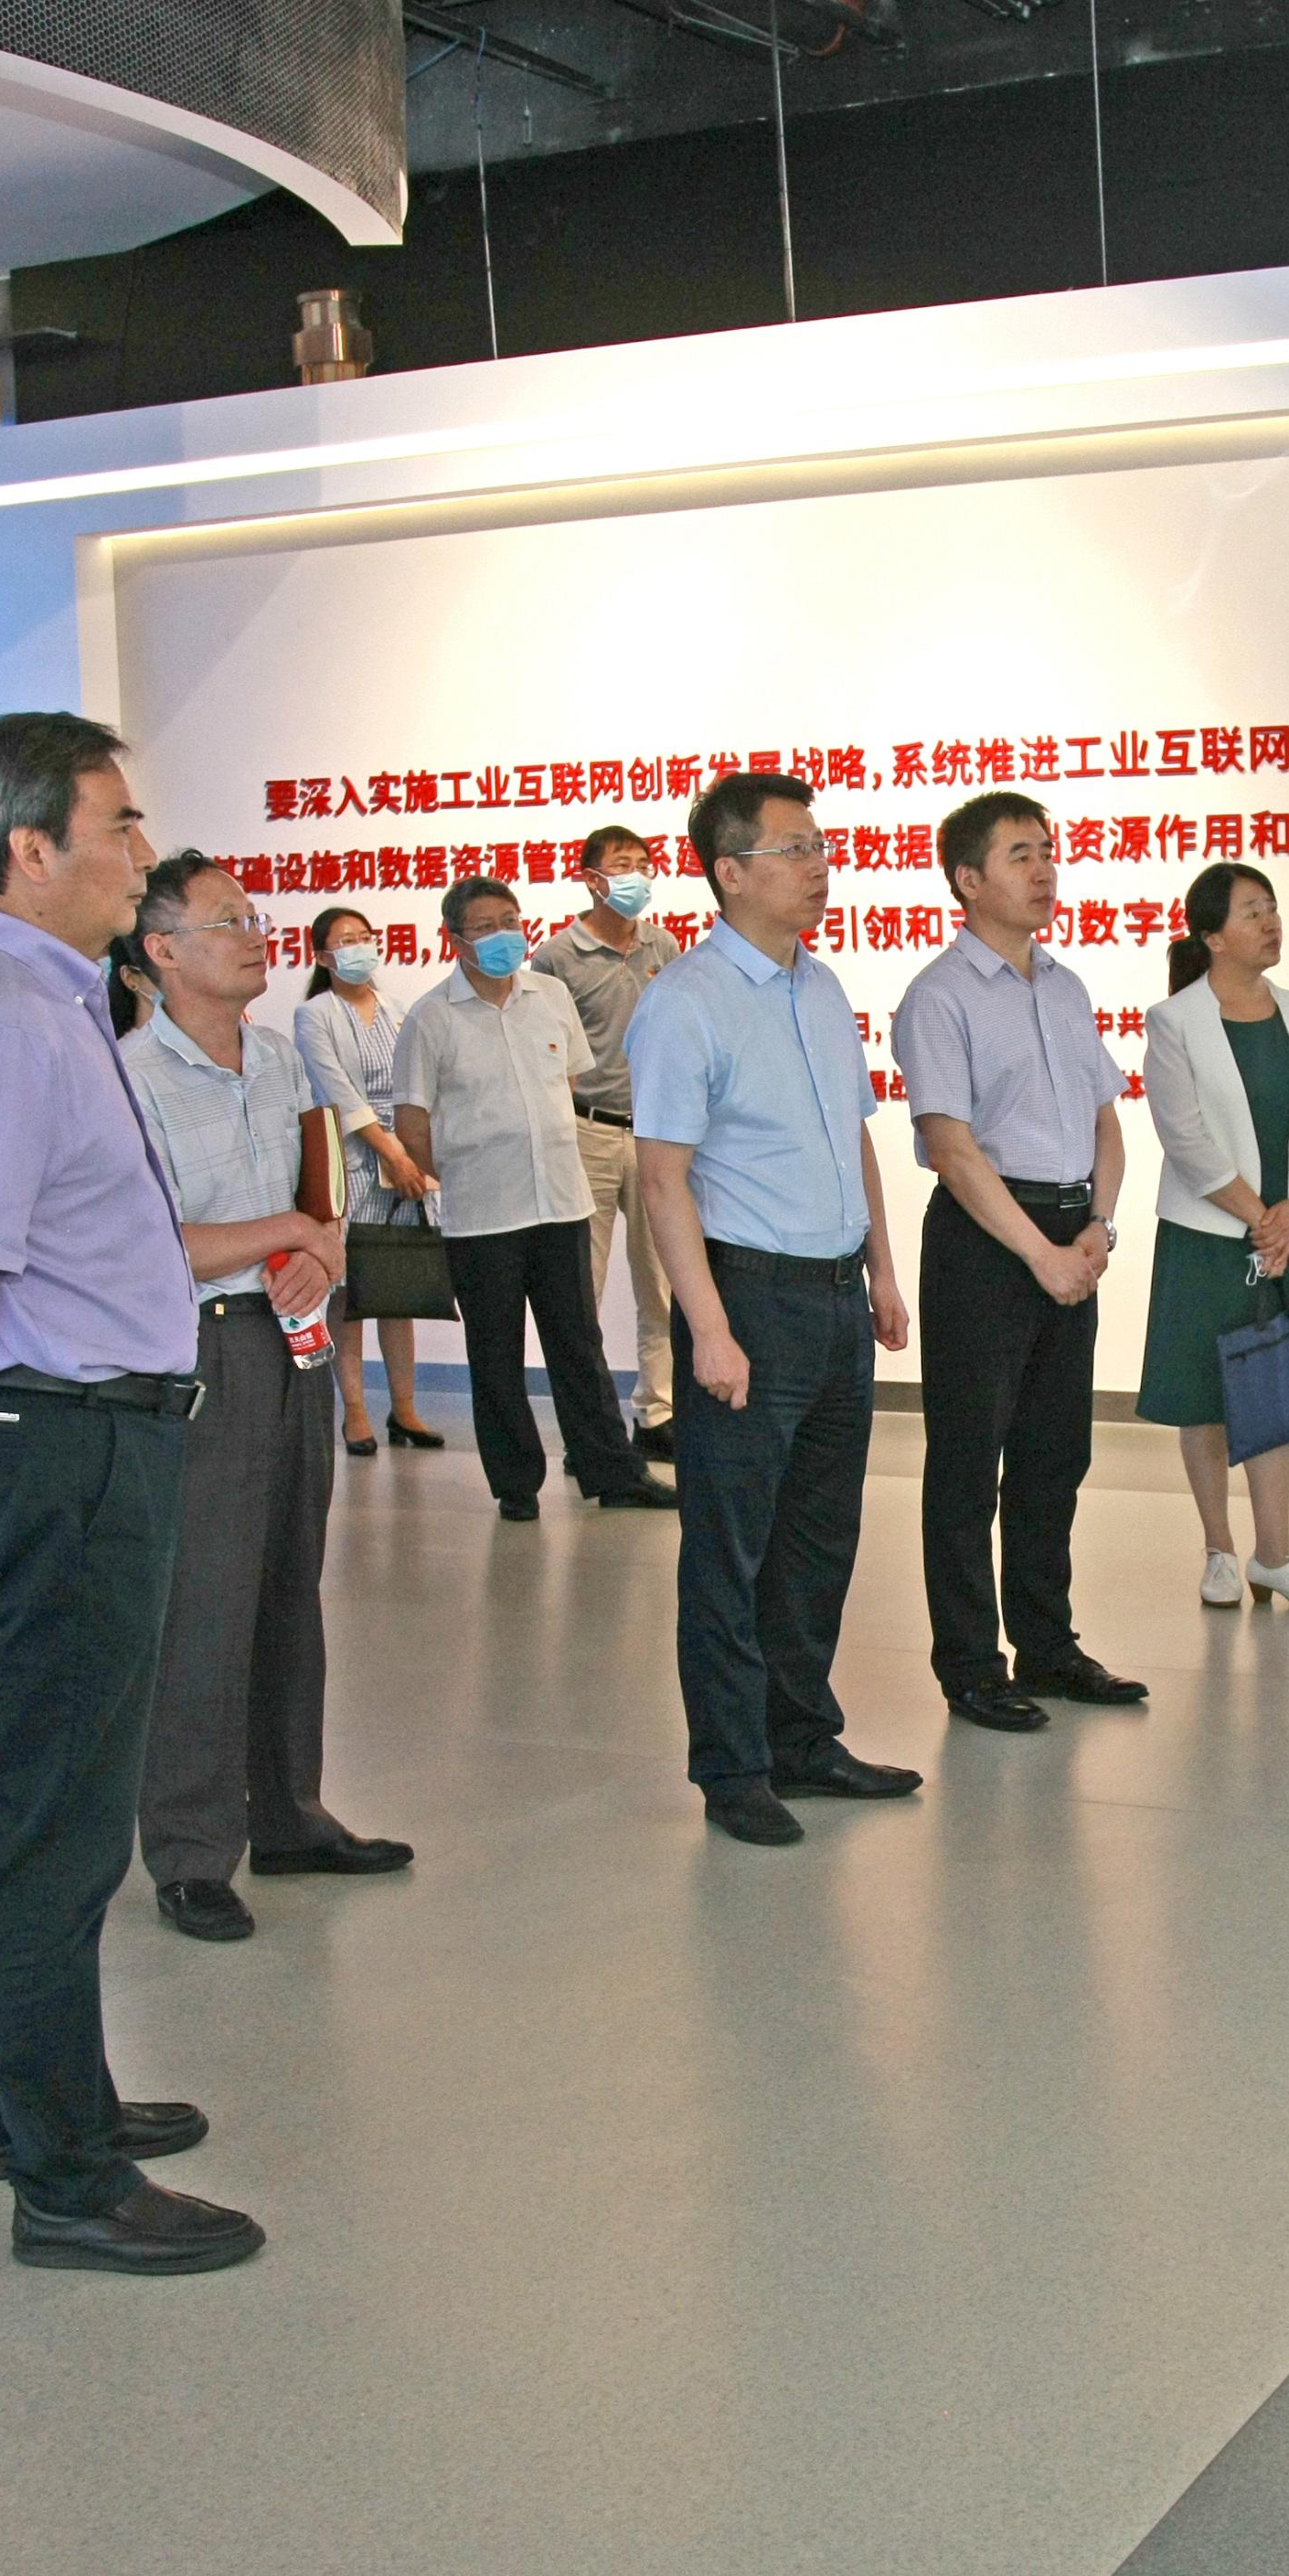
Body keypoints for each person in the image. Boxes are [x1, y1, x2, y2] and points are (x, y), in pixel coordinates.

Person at [0, 712, 258, 2275]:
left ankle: (19, 2102)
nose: (142, 849)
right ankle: (66, 2177)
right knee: (58, 1818)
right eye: (118, 823)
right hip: (59, 1442)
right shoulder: (6, 1016)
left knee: (30, 1797)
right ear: (31, 849)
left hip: (73, 1427)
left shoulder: (45, 999)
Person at [118, 855, 414, 1936]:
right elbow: (145, 1243)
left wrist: (317, 1252)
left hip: (293, 1339)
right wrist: (286, 1235)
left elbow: (319, 1194)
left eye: (255, 916)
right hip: (198, 1351)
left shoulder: (281, 1059)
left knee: (291, 1583)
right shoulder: (127, 1079)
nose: (257, 934)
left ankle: (290, 1814)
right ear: (161, 951)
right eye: (227, 921)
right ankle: (191, 1852)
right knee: (205, 1601)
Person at [627, 773, 917, 1848]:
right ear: (729, 872)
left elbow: (853, 1136)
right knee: (730, 1549)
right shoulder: (685, 1002)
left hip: (836, 1297)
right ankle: (732, 1767)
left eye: (819, 847)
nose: (817, 868)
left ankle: (802, 1737)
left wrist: (881, 1271)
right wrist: (707, 1328)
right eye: (793, 850)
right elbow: (662, 1181)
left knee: (816, 1540)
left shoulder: (821, 986)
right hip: (748, 1297)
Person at [898, 793, 1140, 1730]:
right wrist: (1039, 1252)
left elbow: (1105, 1122)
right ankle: (970, 1665)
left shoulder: (1065, 986)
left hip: (1071, 1236)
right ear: (966, 879)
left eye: (1047, 851)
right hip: (986, 1241)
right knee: (967, 1463)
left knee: (1053, 1455)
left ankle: (1047, 1646)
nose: (1044, 870)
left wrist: (1097, 1228)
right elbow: (952, 1148)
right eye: (1019, 855)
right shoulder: (939, 996)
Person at [396, 878, 673, 1526]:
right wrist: (468, 1169)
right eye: (485, 926)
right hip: (483, 1215)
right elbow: (412, 1125)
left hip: (561, 1203)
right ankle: (515, 1483)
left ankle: (612, 1471)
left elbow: (567, 1084)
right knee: (495, 1356)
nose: (504, 935)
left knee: (579, 1345)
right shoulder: (431, 1017)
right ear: (455, 939)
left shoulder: (550, 996)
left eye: (511, 920)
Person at [1142, 861, 1289, 1613]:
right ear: (1212, 936)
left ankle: (1276, 1555)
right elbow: (1185, 1139)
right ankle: (1218, 1551)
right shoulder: (1175, 1020)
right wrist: (1261, 1217)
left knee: (1276, 1388)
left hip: (1288, 1233)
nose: (1270, 922)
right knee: (1205, 1396)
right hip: (1209, 1235)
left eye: (1272, 907)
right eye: (1251, 911)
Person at [532, 825, 684, 1462]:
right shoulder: (556, 957)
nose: (637, 876)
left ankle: (657, 1413)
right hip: (585, 1130)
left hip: (654, 1134)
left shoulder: (662, 944)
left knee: (662, 1281)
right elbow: (544, 1053)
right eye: (623, 865)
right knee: (581, 1290)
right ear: (591, 878)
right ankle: (588, 1432)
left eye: (644, 864)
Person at [294, 904, 443, 1454]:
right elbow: (339, 1093)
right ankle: (355, 1412)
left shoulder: (399, 1009)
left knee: (398, 1289)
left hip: (407, 1161)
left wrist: (416, 1156)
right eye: (346, 941)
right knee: (350, 1294)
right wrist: (393, 1153)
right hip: (355, 1163)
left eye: (365, 936)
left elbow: (421, 1086)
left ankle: (405, 1409)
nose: (361, 947)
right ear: (323, 956)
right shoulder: (315, 1014)